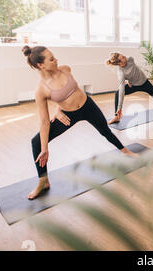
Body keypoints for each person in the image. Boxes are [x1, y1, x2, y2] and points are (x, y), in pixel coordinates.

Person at [23, 46, 136, 200]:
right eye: (51, 59)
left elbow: (65, 91)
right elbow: (44, 122)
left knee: (105, 131)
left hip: (88, 106)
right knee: (36, 143)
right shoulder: (41, 90)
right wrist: (45, 148)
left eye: (54, 57)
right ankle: (43, 180)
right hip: (69, 116)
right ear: (40, 65)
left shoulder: (65, 69)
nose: (56, 60)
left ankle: (125, 151)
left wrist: (57, 108)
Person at [105, 53, 153, 124]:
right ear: (119, 63)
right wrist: (119, 108)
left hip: (144, 82)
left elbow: (132, 72)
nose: (125, 56)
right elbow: (122, 89)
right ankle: (116, 117)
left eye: (123, 55)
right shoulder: (121, 73)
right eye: (123, 57)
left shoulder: (130, 59)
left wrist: (128, 80)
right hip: (133, 85)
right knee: (118, 93)